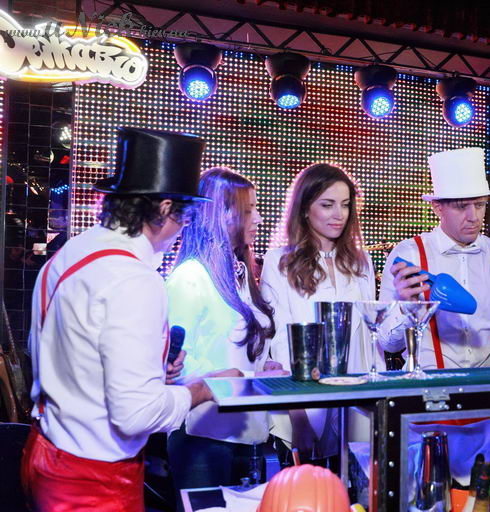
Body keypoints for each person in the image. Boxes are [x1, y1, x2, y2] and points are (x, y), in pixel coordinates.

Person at [21, 128, 234, 511]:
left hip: (45, 453)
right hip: (91, 481)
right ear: (165, 209)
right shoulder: (135, 279)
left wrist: (150, 371)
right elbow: (136, 414)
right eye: (184, 218)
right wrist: (202, 389)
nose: (181, 231)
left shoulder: (72, 251)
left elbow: (68, 356)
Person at [165, 168, 283, 508]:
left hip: (249, 435)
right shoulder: (190, 277)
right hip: (203, 439)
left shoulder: (241, 275)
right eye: (248, 210)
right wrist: (240, 377)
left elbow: (237, 351)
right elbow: (173, 368)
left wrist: (263, 367)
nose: (258, 219)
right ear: (219, 214)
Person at [379, 147, 490, 369]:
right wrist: (407, 308)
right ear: (437, 208)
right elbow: (388, 344)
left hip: (488, 385)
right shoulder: (408, 255)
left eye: (480, 205)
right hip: (425, 385)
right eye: (462, 207)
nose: (474, 217)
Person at [260, 163, 375, 465]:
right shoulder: (279, 262)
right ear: (304, 209)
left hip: (358, 407)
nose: (339, 214)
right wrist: (298, 417)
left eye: (345, 205)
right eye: (327, 205)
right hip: (305, 408)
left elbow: (369, 338)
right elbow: (281, 345)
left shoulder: (361, 262)